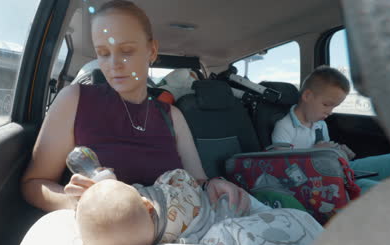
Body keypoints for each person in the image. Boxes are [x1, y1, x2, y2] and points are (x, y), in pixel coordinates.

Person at [20, 0, 248, 215]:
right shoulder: (74, 99)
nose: (114, 64)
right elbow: (34, 184)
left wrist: (213, 185)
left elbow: (198, 182)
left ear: (152, 50)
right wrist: (77, 203)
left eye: (127, 51)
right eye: (103, 53)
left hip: (175, 228)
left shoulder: (172, 116)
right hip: (107, 230)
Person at [75, 168, 323, 245]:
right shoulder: (155, 194)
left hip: (225, 208)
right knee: (268, 216)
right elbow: (179, 176)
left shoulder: (166, 239)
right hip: (230, 206)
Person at [271, 66, 390, 193]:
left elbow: (327, 156)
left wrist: (340, 153)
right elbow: (282, 167)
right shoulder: (284, 127)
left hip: (338, 170)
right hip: (313, 182)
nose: (330, 112)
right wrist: (313, 152)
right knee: (370, 187)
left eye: (334, 107)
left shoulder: (320, 125)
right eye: (326, 105)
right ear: (307, 96)